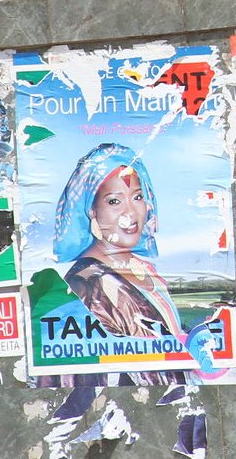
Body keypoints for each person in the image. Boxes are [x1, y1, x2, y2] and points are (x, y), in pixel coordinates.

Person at [53, 143, 186, 382]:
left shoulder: (142, 268)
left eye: (137, 197)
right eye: (114, 201)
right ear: (91, 209)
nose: (131, 213)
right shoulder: (85, 286)